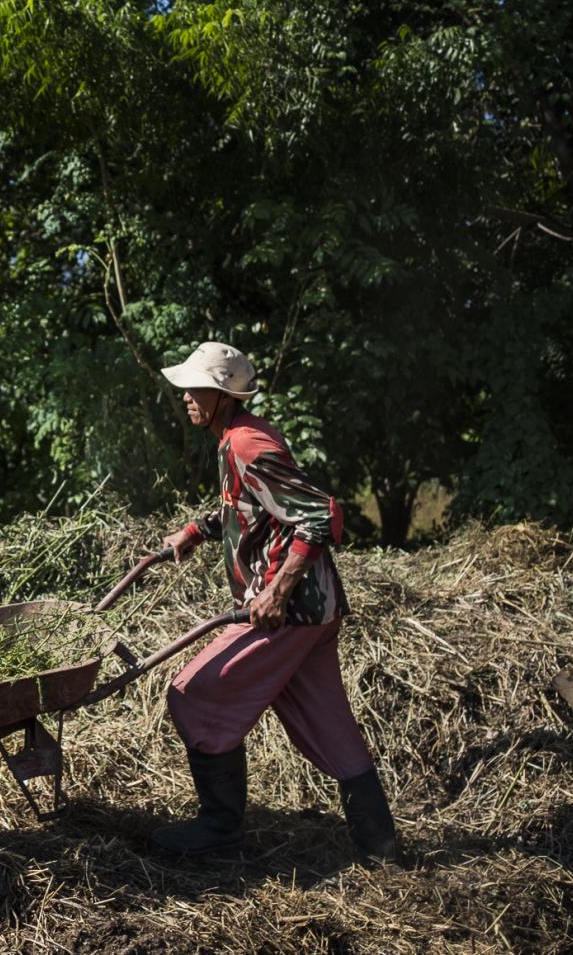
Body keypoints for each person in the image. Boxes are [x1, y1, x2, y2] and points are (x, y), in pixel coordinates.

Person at [150, 341, 395, 862]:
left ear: (221, 395)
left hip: (288, 610)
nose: (187, 398)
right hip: (314, 611)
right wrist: (196, 530)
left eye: (197, 390)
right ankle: (384, 851)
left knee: (194, 694)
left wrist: (277, 590)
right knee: (333, 730)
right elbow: (253, 508)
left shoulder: (248, 444)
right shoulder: (236, 438)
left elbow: (320, 515)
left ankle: (220, 831)